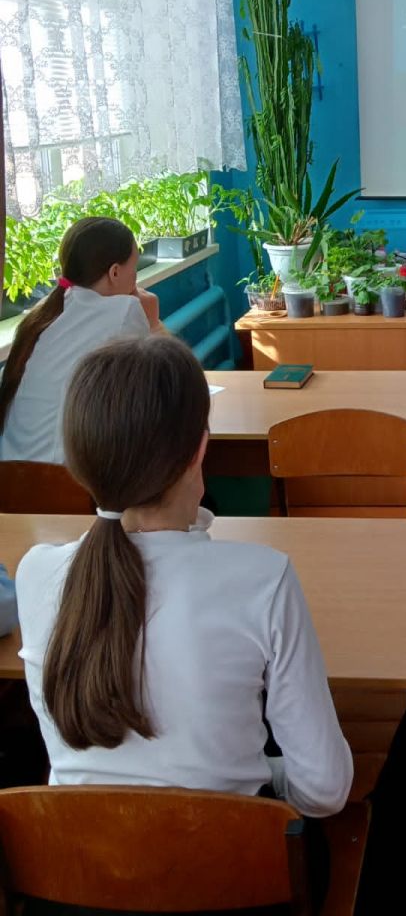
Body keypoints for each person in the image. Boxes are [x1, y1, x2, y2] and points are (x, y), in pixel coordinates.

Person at [15, 336, 352, 816]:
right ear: (200, 449)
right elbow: (324, 791)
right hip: (233, 862)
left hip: (77, 858)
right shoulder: (264, 580)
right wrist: (262, 772)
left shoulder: (36, 573)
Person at [0, 216, 162, 464]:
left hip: (12, 478)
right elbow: (161, 389)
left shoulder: (43, 315)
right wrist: (153, 322)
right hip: (67, 480)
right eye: (134, 268)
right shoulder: (124, 310)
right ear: (115, 272)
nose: (135, 279)